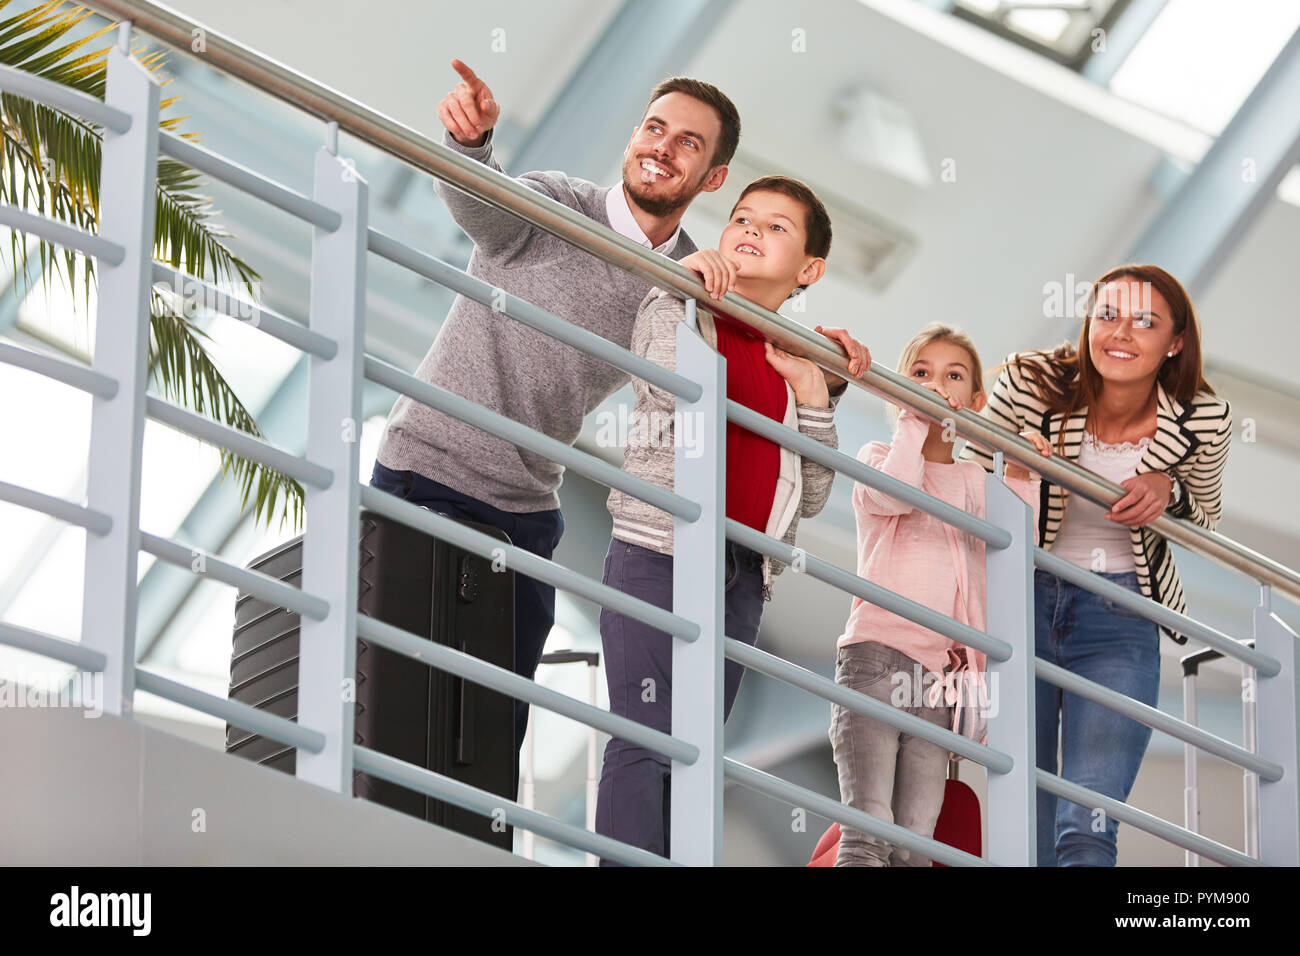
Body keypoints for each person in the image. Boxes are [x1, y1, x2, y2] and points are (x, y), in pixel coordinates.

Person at [596, 176, 870, 862]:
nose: (750, 229)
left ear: (809, 271)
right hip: (659, 549)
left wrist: (813, 393)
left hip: (743, 574)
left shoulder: (794, 360)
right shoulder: (681, 305)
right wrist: (678, 286)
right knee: (646, 730)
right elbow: (662, 380)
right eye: (743, 217)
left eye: (776, 227)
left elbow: (809, 495)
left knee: (694, 750)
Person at [962, 264, 1232, 866]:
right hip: (1022, 600)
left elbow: (1204, 517)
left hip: (1122, 615)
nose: (1121, 333)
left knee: (1087, 824)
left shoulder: (1202, 418)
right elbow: (969, 480)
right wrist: (1018, 478)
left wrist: (1169, 489)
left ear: (1176, 342)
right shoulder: (1029, 381)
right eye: (1108, 315)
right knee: (1020, 808)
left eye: (1146, 322)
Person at [831, 323, 1040, 866]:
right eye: (920, 374)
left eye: (952, 376)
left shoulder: (974, 480)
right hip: (876, 656)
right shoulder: (880, 455)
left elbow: (1015, 549)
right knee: (868, 825)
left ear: (974, 402)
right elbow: (890, 496)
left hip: (939, 680)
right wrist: (913, 420)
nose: (936, 385)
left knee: (916, 844)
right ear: (900, 391)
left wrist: (1022, 472)